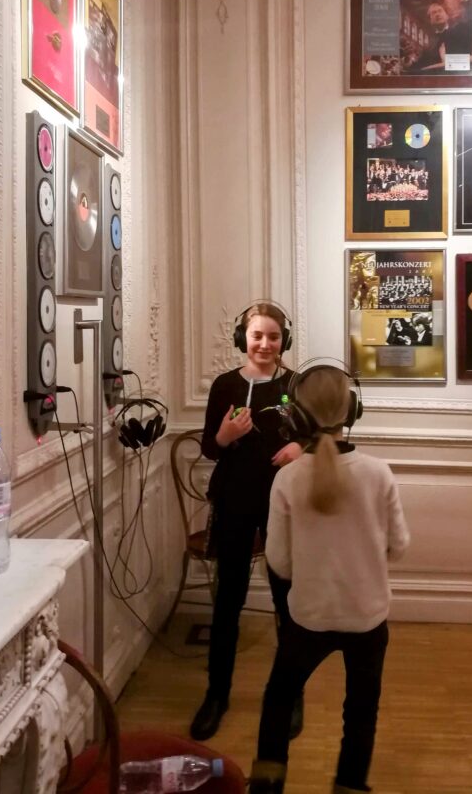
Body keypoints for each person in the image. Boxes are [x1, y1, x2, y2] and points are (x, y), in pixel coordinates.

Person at [249, 364, 410, 794]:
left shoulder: (287, 477)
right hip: (367, 618)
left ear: (296, 419)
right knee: (360, 711)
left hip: (309, 617)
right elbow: (399, 546)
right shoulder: (378, 473)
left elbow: (279, 562)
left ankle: (267, 786)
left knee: (280, 698)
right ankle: (349, 785)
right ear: (353, 409)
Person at [189, 302, 304, 742]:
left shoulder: (296, 384)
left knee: (286, 601)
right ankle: (217, 694)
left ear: (284, 341)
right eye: (257, 335)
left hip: (283, 503)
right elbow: (209, 448)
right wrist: (225, 436)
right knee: (228, 601)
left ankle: (290, 694)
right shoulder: (224, 386)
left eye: (273, 337)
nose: (265, 344)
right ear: (243, 338)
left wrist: (302, 449)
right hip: (235, 500)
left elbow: (317, 437)